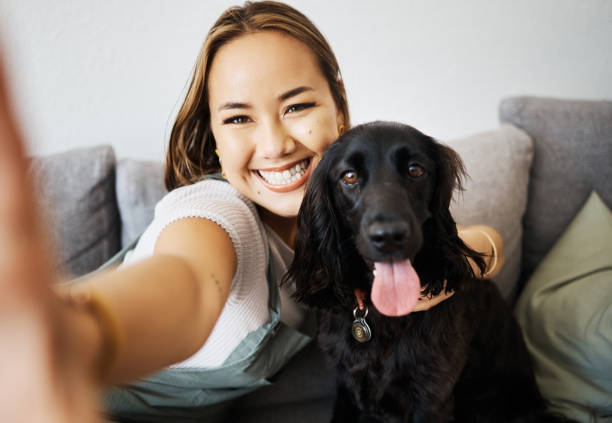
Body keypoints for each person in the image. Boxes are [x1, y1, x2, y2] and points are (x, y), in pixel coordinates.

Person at [0, 1, 504, 422]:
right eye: (239, 117)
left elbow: (478, 241)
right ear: (215, 140)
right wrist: (69, 336)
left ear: (339, 108)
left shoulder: (338, 225)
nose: (275, 144)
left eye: (296, 106)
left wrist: (454, 266)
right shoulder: (216, 216)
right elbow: (190, 286)